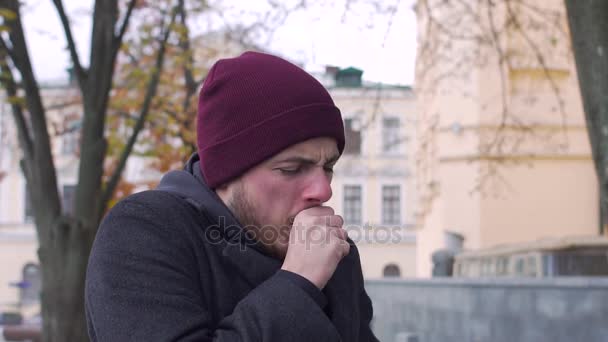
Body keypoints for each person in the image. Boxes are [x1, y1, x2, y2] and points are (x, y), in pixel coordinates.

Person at [85, 51, 379, 341]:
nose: (323, 190)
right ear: (225, 174)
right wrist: (299, 283)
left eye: (327, 167)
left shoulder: (332, 251)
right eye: (291, 168)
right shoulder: (143, 231)